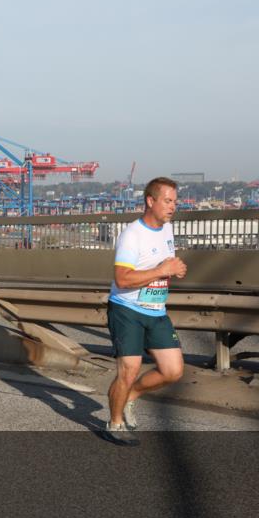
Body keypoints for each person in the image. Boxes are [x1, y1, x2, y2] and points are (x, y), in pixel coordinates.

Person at [104, 177, 187, 446]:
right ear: (150, 201)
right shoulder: (131, 235)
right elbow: (122, 279)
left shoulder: (167, 229)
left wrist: (173, 269)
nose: (173, 206)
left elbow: (163, 265)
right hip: (127, 309)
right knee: (130, 368)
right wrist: (162, 271)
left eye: (175, 201)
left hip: (156, 309)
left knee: (173, 371)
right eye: (167, 201)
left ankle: (130, 395)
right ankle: (115, 423)